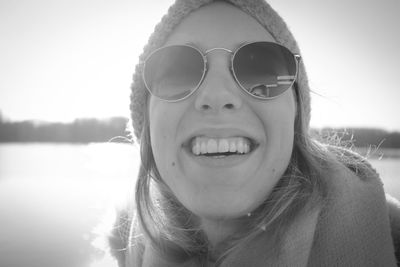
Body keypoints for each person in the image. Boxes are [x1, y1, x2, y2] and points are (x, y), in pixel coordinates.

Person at [105, 0, 400, 266]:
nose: (218, 95)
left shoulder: (391, 236)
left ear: (295, 116)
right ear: (148, 124)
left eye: (262, 71)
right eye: (177, 72)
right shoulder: (125, 251)